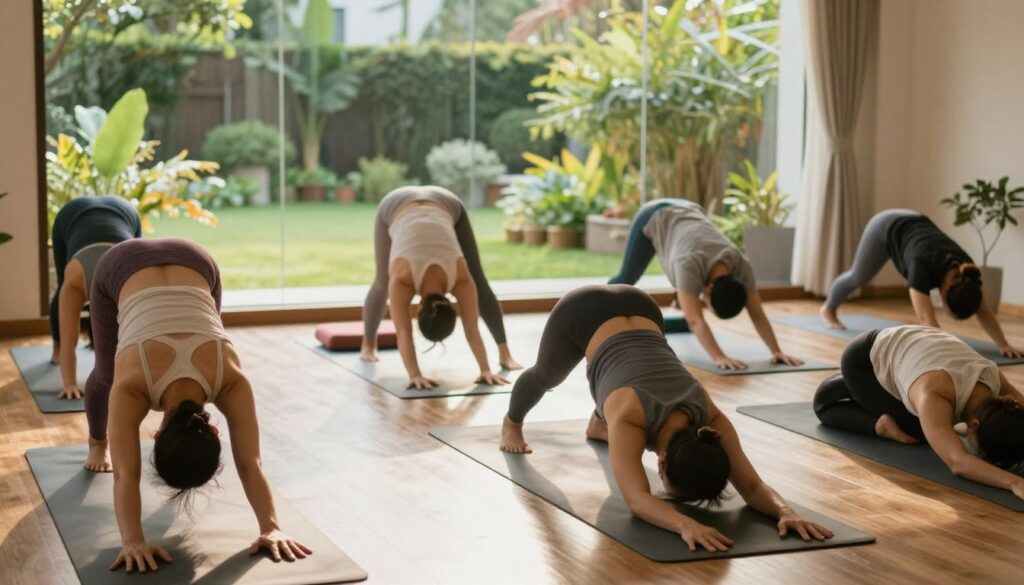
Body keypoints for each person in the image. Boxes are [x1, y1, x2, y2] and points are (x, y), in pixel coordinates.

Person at [500, 285, 833, 552]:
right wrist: (685, 524)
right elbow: (637, 500)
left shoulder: (710, 420)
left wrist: (786, 511)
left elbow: (753, 486)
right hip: (582, 311)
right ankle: (511, 421)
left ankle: (599, 423)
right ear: (661, 463)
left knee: (620, 408)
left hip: (643, 305)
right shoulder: (634, 416)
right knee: (546, 377)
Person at [84, 238, 312, 573]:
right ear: (159, 437)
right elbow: (125, 474)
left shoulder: (230, 379)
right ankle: (96, 443)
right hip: (129, 265)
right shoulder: (131, 386)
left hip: (196, 259)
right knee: (105, 376)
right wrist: (269, 529)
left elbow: (251, 464)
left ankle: (97, 444)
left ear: (214, 430)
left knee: (118, 371)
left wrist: (271, 526)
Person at [814, 325, 1024, 500]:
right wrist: (1014, 482)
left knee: (937, 428)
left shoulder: (995, 380)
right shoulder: (934, 396)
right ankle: (880, 425)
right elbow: (958, 462)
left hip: (922, 347)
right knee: (919, 430)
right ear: (974, 425)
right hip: (864, 359)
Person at [608, 198, 802, 370]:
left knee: (686, 288)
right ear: (708, 290)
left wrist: (776, 351)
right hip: (656, 213)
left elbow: (757, 313)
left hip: (690, 210)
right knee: (626, 279)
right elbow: (696, 321)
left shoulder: (742, 265)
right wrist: (719, 357)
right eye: (707, 304)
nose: (705, 305)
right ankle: (598, 307)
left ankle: (682, 300)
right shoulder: (688, 264)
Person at [361, 186, 521, 389]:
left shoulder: (457, 279)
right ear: (418, 310)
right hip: (403, 205)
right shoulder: (406, 279)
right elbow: (470, 328)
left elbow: (404, 332)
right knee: (383, 282)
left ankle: (505, 353)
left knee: (478, 281)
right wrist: (484, 370)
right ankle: (368, 343)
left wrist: (415, 375)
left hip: (440, 202)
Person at [819, 209, 1023, 357]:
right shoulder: (921, 268)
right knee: (858, 277)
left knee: (859, 277)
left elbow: (984, 311)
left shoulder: (967, 273)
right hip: (885, 226)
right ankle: (828, 309)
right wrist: (949, 352)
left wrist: (1004, 345)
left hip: (915, 221)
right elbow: (926, 319)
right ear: (943, 292)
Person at [49, 195, 141, 400]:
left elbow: (135, 335)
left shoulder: (128, 281)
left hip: (125, 212)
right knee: (61, 292)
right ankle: (53, 349)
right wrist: (70, 384)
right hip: (70, 216)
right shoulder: (74, 284)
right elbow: (69, 341)